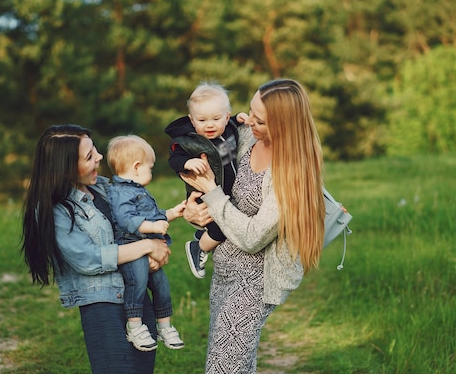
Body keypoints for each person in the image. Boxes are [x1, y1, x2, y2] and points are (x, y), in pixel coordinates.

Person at [180, 78, 325, 374]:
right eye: (250, 111)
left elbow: (252, 237)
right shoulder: (247, 138)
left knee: (223, 367)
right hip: (224, 267)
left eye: (259, 120)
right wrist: (195, 209)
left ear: (283, 125)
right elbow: (199, 141)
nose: (248, 122)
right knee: (238, 364)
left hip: (257, 280)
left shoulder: (292, 172)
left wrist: (211, 192)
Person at [21, 124, 171, 374]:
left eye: (95, 151)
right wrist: (146, 247)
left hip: (135, 293)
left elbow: (135, 221)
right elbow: (89, 259)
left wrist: (167, 227)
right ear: (66, 168)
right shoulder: (56, 210)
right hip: (104, 305)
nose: (100, 157)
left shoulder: (104, 188)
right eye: (89, 156)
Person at [105, 135, 186, 351]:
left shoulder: (137, 190)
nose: (151, 172)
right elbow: (126, 220)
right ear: (137, 167)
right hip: (131, 249)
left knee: (162, 286)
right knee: (137, 283)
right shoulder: (119, 192)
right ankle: (135, 326)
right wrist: (152, 228)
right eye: (150, 168)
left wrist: (172, 213)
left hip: (145, 248)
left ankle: (165, 326)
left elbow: (151, 215)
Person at [164, 82, 240, 278]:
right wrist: (187, 162)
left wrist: (242, 119)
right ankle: (199, 247)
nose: (210, 125)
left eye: (216, 118)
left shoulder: (230, 128)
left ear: (226, 116)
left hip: (225, 193)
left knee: (229, 223)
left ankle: (202, 238)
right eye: (202, 120)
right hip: (204, 196)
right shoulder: (190, 141)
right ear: (192, 120)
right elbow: (174, 158)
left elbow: (237, 123)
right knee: (224, 228)